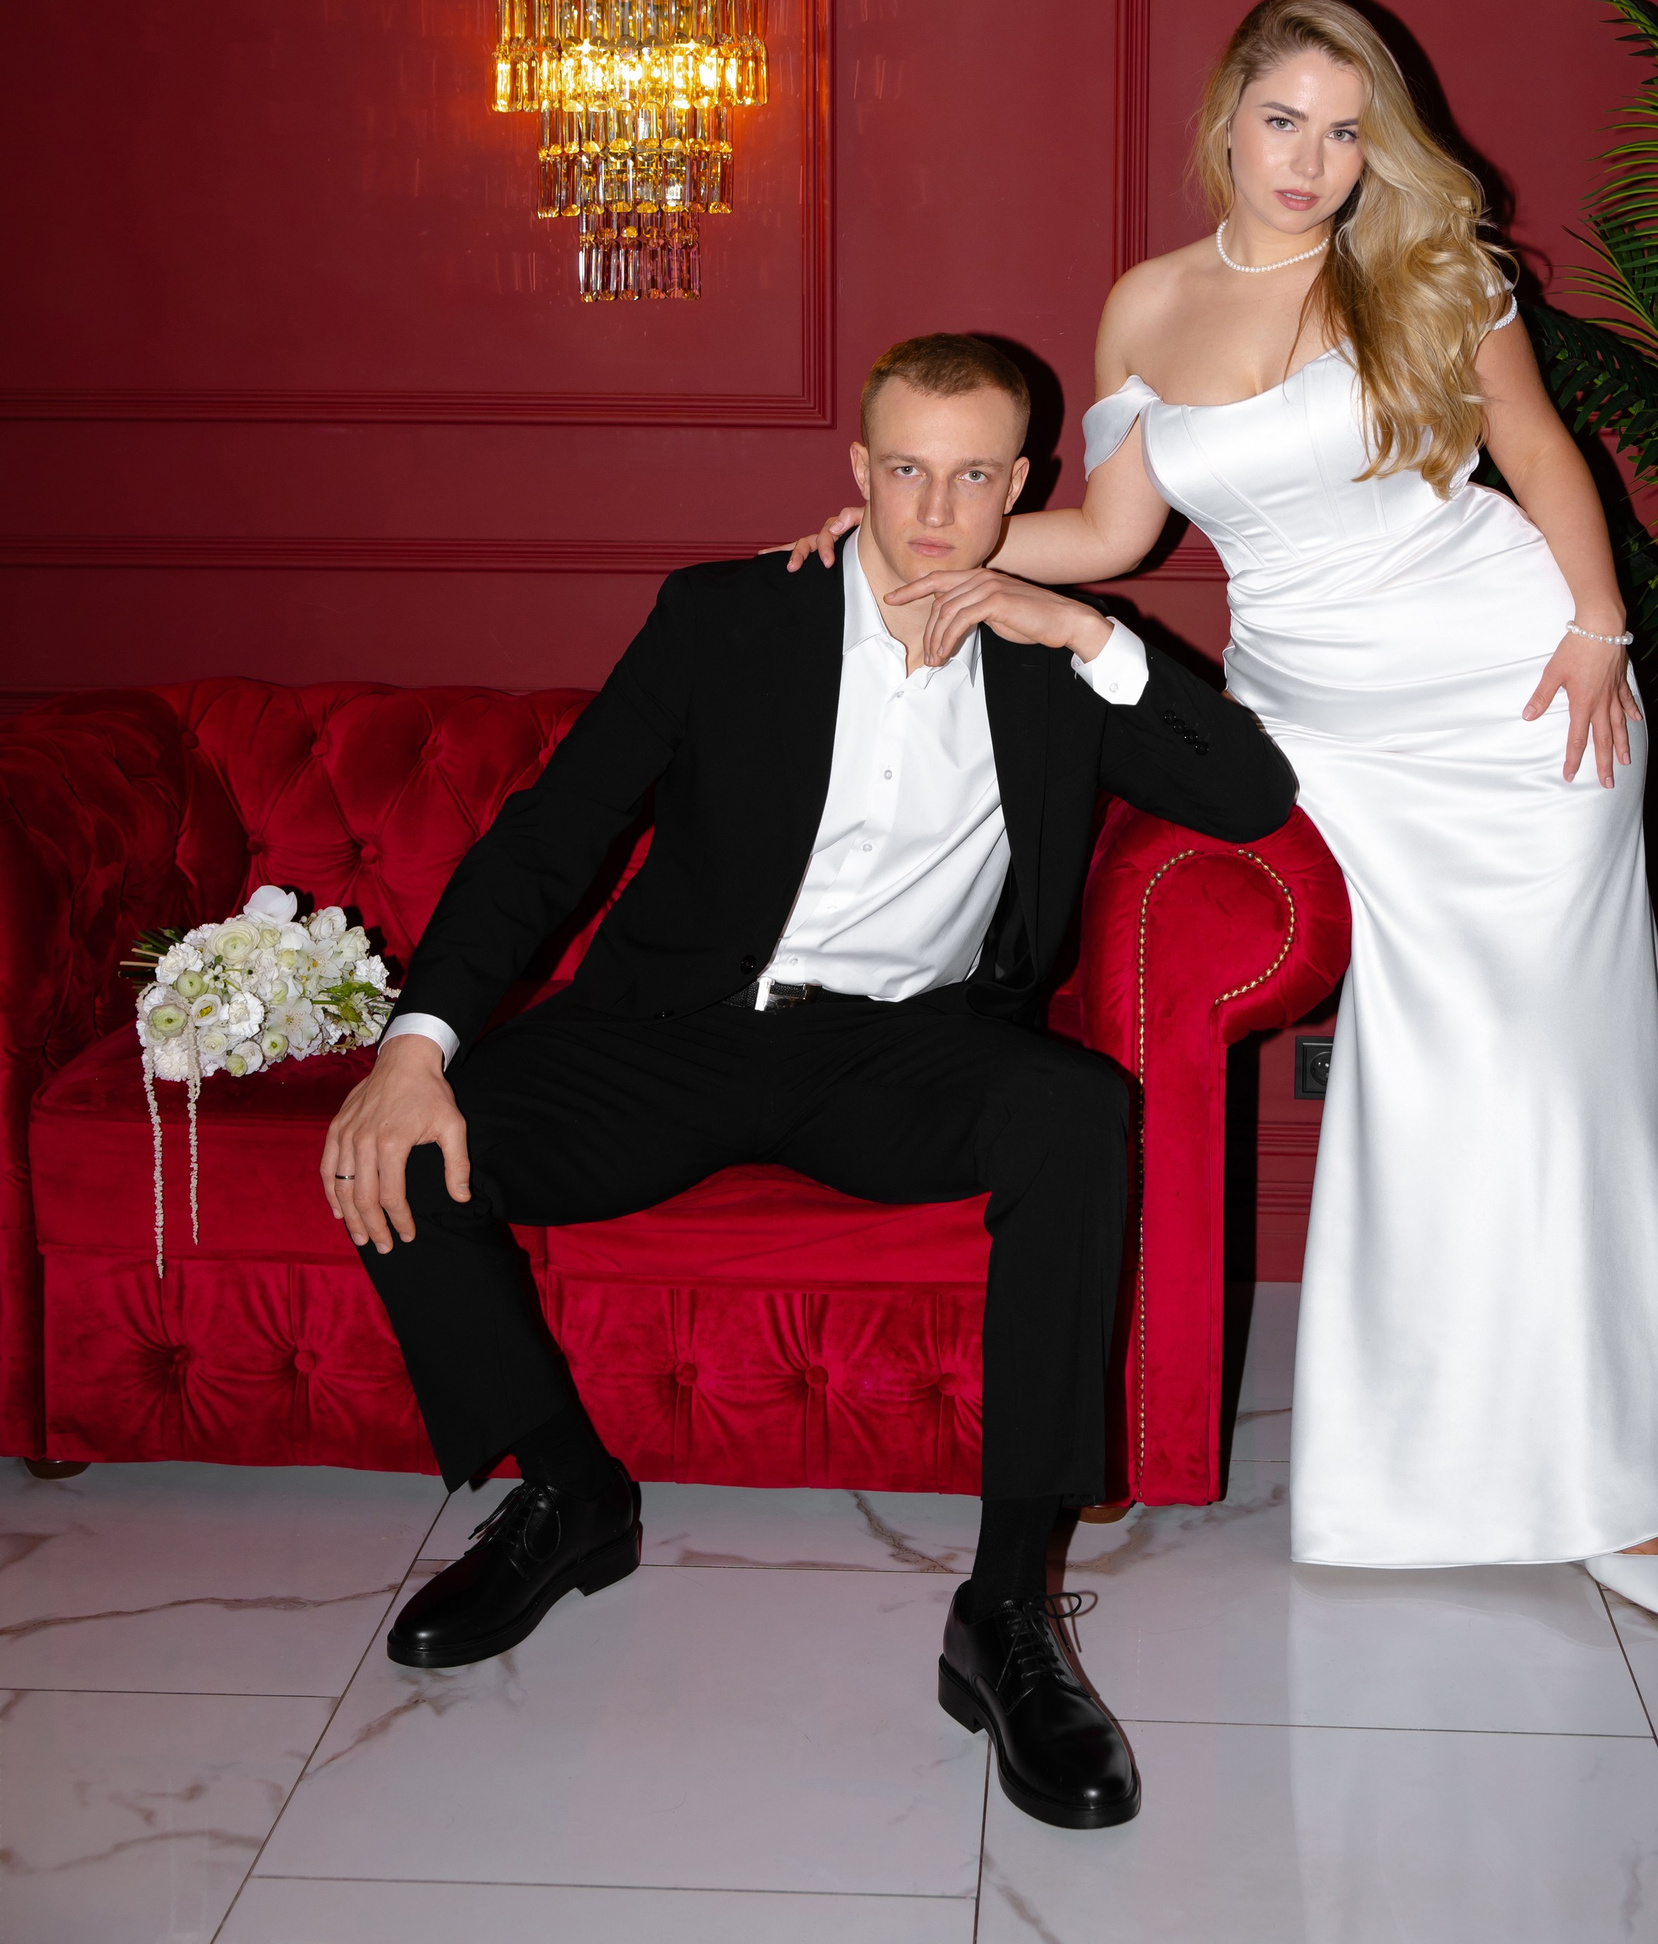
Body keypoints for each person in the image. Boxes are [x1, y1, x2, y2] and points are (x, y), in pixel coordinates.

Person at [788, 0, 1658, 1611]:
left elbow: (1542, 451)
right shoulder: (1147, 303)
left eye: (1347, 131)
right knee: (1431, 1079)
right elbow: (1114, 536)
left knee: (1565, 1079)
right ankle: (1461, 1452)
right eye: (1284, 119)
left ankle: (1636, 1456)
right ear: (1228, 116)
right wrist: (907, 544)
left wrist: (1599, 631)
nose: (1311, 159)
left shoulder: (1424, 269)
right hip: (1322, 731)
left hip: (1518, 695)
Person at [324, 329, 1294, 1831]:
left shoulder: (1056, 654)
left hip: (902, 1048)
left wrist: (1086, 635)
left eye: (972, 477)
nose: (934, 509)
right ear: (858, 469)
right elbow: (551, 835)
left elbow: (1248, 792)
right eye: (905, 470)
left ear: (1022, 487)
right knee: (408, 1148)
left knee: (1074, 1116)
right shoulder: (729, 619)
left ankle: (1006, 1612)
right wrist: (413, 1044)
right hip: (678, 1027)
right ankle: (570, 1494)